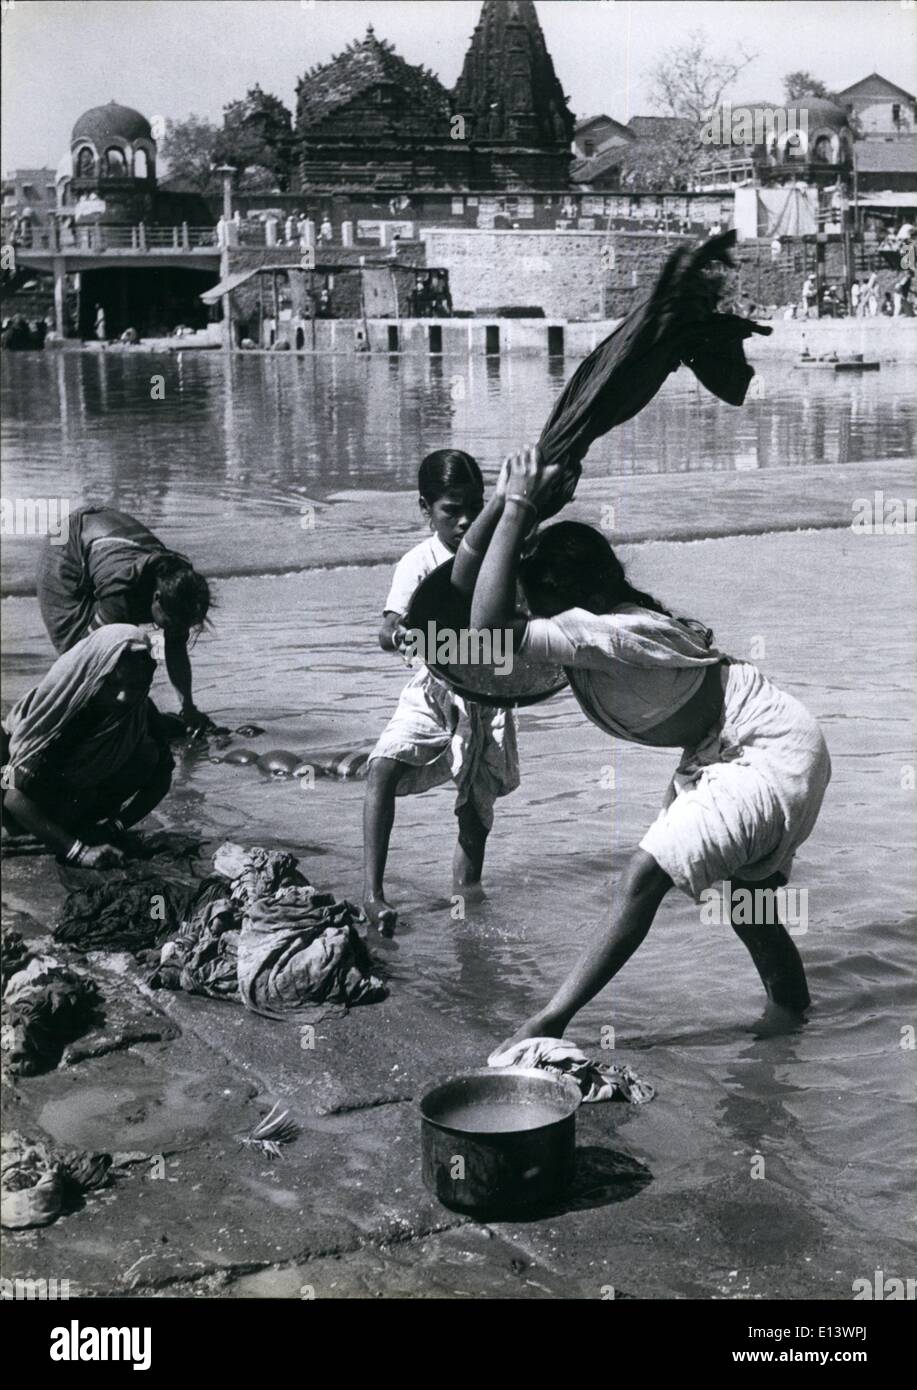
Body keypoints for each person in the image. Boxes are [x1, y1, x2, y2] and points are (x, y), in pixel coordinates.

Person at [469, 449, 831, 1044]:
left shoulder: (605, 632)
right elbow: (467, 593)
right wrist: (515, 512)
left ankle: (549, 1022)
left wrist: (517, 507)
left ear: (562, 598)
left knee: (644, 875)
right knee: (750, 909)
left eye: (532, 604)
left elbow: (483, 633)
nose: (523, 613)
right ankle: (792, 1026)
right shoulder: (595, 624)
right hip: (755, 740)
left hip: (764, 748)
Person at [362, 450, 520, 932]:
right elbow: (388, 630)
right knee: (383, 767)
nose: (466, 519)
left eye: (475, 505)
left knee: (476, 804)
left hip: (490, 695)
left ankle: (467, 897)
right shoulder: (419, 561)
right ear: (425, 508)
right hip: (434, 688)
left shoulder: (501, 553)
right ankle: (372, 894)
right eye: (451, 509)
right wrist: (401, 637)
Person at [1, 626, 173, 867]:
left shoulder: (141, 711)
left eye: (137, 686)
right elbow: (14, 797)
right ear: (95, 673)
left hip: (70, 796)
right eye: (113, 684)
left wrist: (116, 826)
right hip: (9, 782)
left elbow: (162, 778)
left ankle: (63, 827)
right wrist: (78, 852)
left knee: (148, 753)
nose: (124, 697)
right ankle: (38, 830)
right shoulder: (69, 714)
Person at [36, 505, 215, 732]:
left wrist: (188, 707)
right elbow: (87, 657)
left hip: (103, 535)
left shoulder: (179, 582)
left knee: (130, 652)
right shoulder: (122, 594)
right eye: (170, 624)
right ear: (156, 598)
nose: (174, 630)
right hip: (63, 538)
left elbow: (175, 650)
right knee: (79, 645)